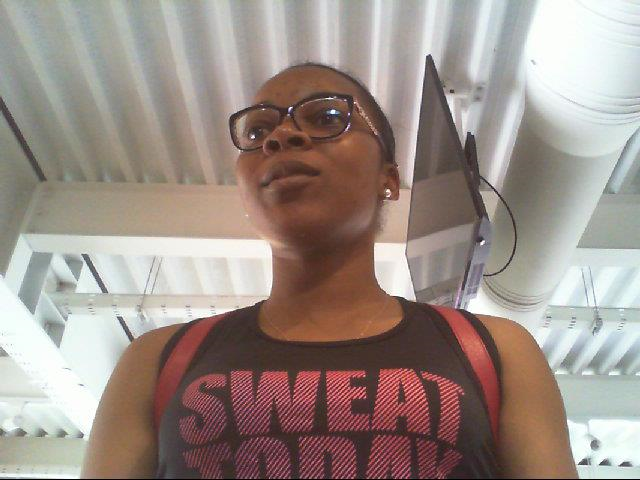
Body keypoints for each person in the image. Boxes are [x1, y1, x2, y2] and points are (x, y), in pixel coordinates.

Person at [81, 62, 578, 479]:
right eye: (257, 131)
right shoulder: (156, 361)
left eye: (327, 117)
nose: (281, 136)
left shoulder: (498, 351)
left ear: (388, 179)